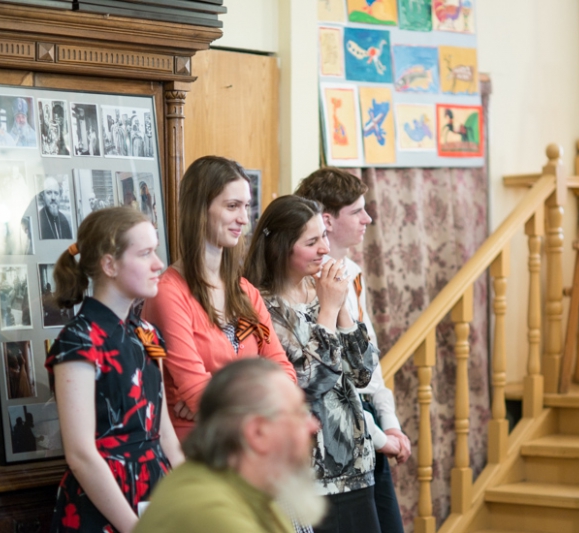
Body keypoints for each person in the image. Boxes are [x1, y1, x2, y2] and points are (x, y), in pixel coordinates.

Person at [244, 195, 380, 533]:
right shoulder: (263, 306)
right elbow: (308, 383)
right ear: (281, 247)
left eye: (324, 237)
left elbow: (363, 373)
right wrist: (328, 311)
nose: (325, 249)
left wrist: (340, 306)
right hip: (309, 474)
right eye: (311, 242)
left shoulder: (324, 291)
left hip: (357, 466)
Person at [44, 206, 184, 533]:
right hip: (105, 503)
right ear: (110, 265)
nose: (159, 264)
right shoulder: (78, 339)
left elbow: (164, 434)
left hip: (156, 492)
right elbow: (80, 454)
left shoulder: (148, 333)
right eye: (145, 253)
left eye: (156, 251)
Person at [142, 156, 296, 440]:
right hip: (198, 450)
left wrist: (217, 399)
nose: (244, 218)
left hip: (248, 445)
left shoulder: (245, 291)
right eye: (232, 206)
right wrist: (254, 394)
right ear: (200, 210)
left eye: (246, 206)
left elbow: (286, 377)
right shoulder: (168, 292)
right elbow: (196, 393)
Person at [295, 168, 411, 533]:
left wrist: (390, 423)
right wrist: (380, 437)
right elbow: (326, 379)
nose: (368, 218)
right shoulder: (309, 284)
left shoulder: (352, 273)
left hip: (368, 422)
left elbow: (367, 367)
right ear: (328, 220)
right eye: (357, 211)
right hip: (337, 432)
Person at [135, 358, 326, 533]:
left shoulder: (250, 487)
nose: (313, 425)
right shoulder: (211, 511)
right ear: (257, 433)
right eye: (299, 414)